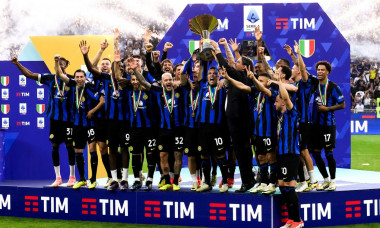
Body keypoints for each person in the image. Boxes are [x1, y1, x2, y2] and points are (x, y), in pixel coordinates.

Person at [11, 56, 76, 188]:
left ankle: (72, 177)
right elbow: (29, 74)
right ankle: (57, 177)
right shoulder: (49, 78)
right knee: (55, 146)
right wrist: (17, 63)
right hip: (54, 119)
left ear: (66, 66)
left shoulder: (72, 80)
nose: (59, 66)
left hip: (69, 119)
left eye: (62, 64)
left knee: (70, 146)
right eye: (57, 64)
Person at [80, 40, 130, 191]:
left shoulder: (126, 81)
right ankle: (114, 179)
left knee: (125, 149)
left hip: (124, 122)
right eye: (113, 66)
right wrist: (86, 55)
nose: (115, 69)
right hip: (110, 122)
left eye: (117, 66)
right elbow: (90, 67)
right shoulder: (105, 78)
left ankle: (125, 179)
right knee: (112, 149)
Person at [211, 39, 256, 193]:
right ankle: (249, 179)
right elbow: (228, 65)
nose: (235, 63)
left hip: (240, 123)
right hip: (236, 122)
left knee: (241, 153)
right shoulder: (239, 75)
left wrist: (217, 48)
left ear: (244, 67)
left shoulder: (242, 75)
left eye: (238, 62)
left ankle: (246, 182)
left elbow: (226, 65)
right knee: (242, 152)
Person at [132, 60, 185, 191]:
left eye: (170, 79)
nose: (168, 82)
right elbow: (144, 83)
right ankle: (167, 180)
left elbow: (184, 80)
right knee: (163, 155)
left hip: (178, 129)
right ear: (161, 82)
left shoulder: (180, 90)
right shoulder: (157, 91)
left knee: (178, 155)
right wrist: (135, 70)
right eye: (165, 80)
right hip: (163, 130)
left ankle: (176, 181)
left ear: (173, 80)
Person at [55, 55, 105, 189]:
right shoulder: (71, 86)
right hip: (77, 125)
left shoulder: (89, 88)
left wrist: (92, 111)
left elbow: (101, 101)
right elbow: (60, 74)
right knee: (77, 150)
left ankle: (93, 179)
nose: (79, 79)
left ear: (85, 78)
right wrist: (56, 62)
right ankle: (82, 178)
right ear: (74, 78)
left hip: (90, 125)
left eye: (81, 77)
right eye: (76, 77)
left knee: (92, 150)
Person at [274, 70, 304, 228]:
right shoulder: (280, 117)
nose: (275, 103)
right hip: (282, 155)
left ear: (284, 103)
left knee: (289, 186)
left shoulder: (292, 113)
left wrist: (280, 82)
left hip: (291, 154)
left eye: (277, 101)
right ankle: (291, 220)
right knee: (281, 185)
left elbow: (286, 96)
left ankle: (298, 220)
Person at [311, 61, 345, 191]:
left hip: (328, 125)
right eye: (318, 69)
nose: (319, 72)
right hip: (315, 125)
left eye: (322, 70)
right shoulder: (313, 85)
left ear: (328, 72)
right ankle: (325, 179)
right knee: (315, 153)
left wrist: (327, 108)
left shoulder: (333, 87)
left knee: (329, 153)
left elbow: (342, 105)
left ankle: (333, 181)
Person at [195, 66, 230, 193]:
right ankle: (207, 182)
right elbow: (199, 75)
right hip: (203, 127)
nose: (212, 75)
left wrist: (223, 77)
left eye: (214, 73)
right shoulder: (203, 87)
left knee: (220, 155)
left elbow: (227, 80)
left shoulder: (222, 88)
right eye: (209, 73)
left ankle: (225, 182)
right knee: (204, 155)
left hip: (218, 127)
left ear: (218, 76)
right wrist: (201, 57)